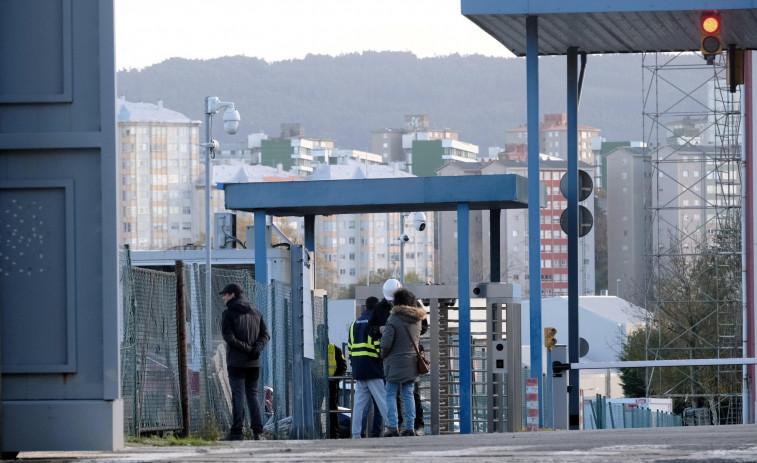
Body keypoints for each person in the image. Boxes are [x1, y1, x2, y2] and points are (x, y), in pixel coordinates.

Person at [219, 282, 270, 441]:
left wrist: (247, 349)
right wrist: (256, 348)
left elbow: (229, 338)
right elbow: (265, 335)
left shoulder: (228, 313)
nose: (223, 297)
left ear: (232, 294)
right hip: (254, 362)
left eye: (225, 294)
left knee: (238, 395)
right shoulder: (256, 313)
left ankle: (237, 432)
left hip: (236, 362)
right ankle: (258, 432)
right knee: (253, 395)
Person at [379, 287, 426, 437]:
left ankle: (393, 427)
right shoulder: (418, 320)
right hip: (412, 363)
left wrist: (382, 354)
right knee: (408, 394)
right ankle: (410, 428)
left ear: (397, 302)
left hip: (394, 363)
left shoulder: (393, 319)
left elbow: (386, 343)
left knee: (391, 393)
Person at [348, 296, 388, 439]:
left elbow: (350, 348)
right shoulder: (375, 323)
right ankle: (392, 428)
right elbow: (379, 346)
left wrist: (355, 364)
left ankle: (356, 434)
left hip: (359, 369)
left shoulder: (354, 324)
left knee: (358, 405)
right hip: (373, 367)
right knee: (383, 401)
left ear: (365, 306)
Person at [328, 340, 347, 439]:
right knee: (316, 410)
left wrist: (335, 379)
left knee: (333, 410)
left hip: (332, 383)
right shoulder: (314, 348)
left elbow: (343, 365)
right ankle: (317, 431)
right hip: (317, 383)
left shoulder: (335, 349)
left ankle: (334, 435)